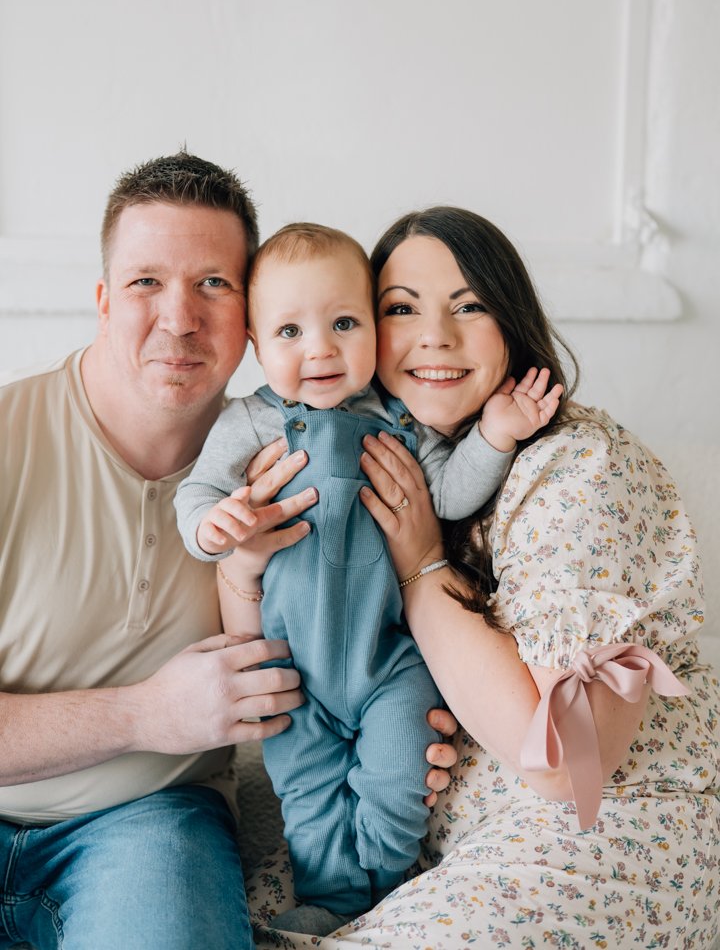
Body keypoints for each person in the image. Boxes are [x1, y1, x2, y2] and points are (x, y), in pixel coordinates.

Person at [0, 155, 458, 950]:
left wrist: (419, 728)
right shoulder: (11, 439)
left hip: (147, 824)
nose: (179, 318)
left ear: (253, 316)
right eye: (146, 281)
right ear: (103, 301)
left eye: (212, 283)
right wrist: (144, 712)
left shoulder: (300, 448)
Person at [246, 206, 719, 949]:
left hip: (602, 829)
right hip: (418, 826)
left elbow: (570, 761)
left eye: (470, 305)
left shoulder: (576, 466)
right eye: (400, 309)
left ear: (513, 321)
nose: (434, 336)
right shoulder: (389, 450)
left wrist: (421, 564)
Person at [175, 222, 561, 936]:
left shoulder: (400, 419)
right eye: (289, 331)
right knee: (308, 792)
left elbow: (447, 497)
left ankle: (385, 888)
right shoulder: (252, 422)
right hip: (296, 672)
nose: (319, 348)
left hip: (392, 661)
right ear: (257, 346)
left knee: (400, 776)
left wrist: (495, 436)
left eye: (345, 323)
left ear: (375, 336)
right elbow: (195, 494)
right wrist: (212, 525)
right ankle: (334, 897)